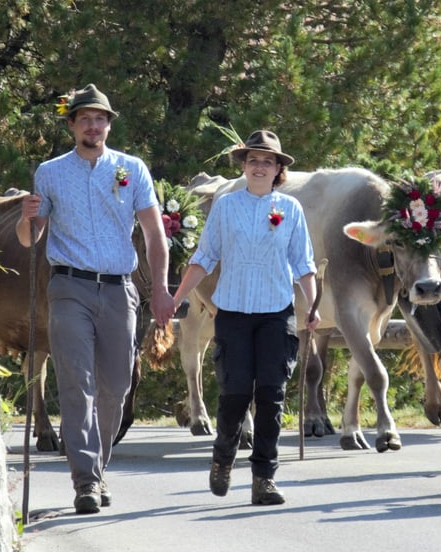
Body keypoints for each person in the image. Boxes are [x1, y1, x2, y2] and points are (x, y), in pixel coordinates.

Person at [16, 83, 174, 514]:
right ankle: (85, 479)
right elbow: (32, 239)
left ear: (108, 124)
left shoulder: (132, 169)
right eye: (84, 118)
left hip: (120, 287)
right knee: (76, 382)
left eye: (100, 118)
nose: (93, 125)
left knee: (117, 386)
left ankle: (97, 468)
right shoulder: (50, 172)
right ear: (71, 125)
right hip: (68, 286)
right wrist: (27, 218)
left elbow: (155, 235)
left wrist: (160, 289)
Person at [170, 129, 319, 506]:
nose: (259, 166)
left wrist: (313, 306)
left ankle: (263, 478)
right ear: (244, 166)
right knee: (235, 395)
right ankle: (223, 458)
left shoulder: (291, 210)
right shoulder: (225, 206)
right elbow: (204, 257)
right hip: (233, 312)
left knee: (272, 396)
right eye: (253, 160)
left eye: (267, 161)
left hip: (276, 313)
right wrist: (177, 297)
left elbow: (303, 264)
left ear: (278, 170)